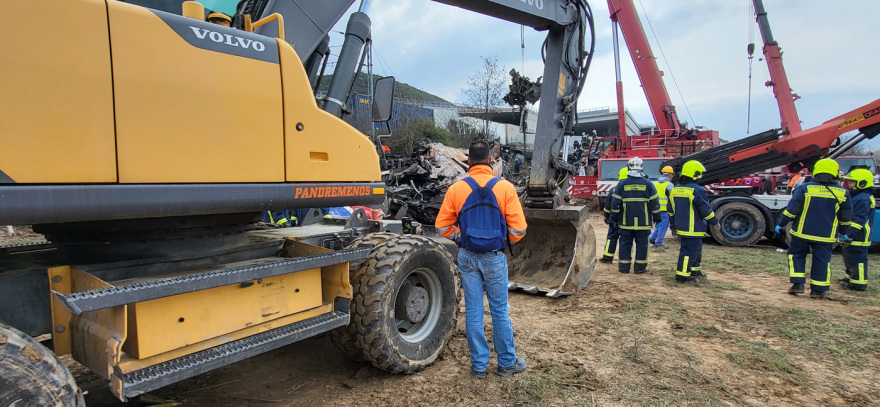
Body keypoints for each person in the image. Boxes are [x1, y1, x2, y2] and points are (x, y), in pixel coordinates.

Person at [435, 140, 528, 378]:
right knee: (499, 311)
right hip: (495, 257)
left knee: (474, 312)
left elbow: (441, 226)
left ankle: (479, 366)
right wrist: (501, 240)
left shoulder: (457, 189)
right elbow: (519, 230)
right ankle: (507, 363)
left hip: (467, 257)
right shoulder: (505, 188)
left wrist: (460, 237)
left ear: (468, 162)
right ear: (489, 161)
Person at [775, 158, 852, 299]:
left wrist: (781, 224)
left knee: (796, 256)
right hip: (826, 236)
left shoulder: (806, 188)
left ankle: (798, 284)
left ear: (816, 171)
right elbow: (845, 218)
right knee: (822, 260)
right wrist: (843, 233)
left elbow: (792, 210)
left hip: (801, 233)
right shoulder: (843, 193)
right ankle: (820, 290)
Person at [609, 157, 662, 274]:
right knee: (642, 246)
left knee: (625, 244)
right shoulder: (648, 184)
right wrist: (658, 218)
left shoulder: (622, 184)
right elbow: (655, 204)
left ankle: (624, 268)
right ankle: (640, 268)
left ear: (628, 167)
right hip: (643, 223)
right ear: (642, 167)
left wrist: (613, 219)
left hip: (626, 222)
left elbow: (615, 204)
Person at [668, 160, 718, 283]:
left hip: (682, 226)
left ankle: (695, 270)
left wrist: (673, 225)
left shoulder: (676, 189)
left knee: (695, 249)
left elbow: (670, 209)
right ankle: (682, 276)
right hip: (694, 227)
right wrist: (714, 221)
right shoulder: (697, 189)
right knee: (688, 251)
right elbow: (705, 208)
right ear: (694, 174)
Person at [839, 169, 875, 291]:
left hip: (859, 235)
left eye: (852, 181)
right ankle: (850, 278)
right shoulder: (858, 196)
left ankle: (858, 284)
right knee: (849, 257)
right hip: (854, 234)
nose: (848, 183)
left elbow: (858, 220)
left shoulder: (862, 198)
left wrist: (848, 235)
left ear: (862, 183)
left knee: (858, 258)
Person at [600, 167, 629, 263]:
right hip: (627, 220)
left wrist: (607, 217)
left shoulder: (613, 190)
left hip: (614, 219)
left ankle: (607, 257)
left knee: (611, 237)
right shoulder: (631, 191)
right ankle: (624, 259)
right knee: (625, 240)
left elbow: (607, 206)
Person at [649, 166, 675, 249]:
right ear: (668, 174)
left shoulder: (656, 183)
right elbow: (672, 198)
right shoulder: (669, 185)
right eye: (672, 174)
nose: (672, 176)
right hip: (665, 209)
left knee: (658, 225)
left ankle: (652, 238)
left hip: (656, 208)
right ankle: (659, 242)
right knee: (663, 226)